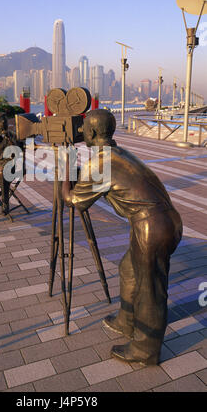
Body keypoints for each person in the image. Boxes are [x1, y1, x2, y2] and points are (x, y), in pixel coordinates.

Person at [62, 109, 182, 366]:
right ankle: (127, 320)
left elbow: (75, 201)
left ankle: (145, 349)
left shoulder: (101, 162)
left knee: (151, 289)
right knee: (129, 269)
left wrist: (65, 170)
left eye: (83, 128)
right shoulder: (119, 153)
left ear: (92, 132)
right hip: (164, 220)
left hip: (151, 225)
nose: (80, 131)